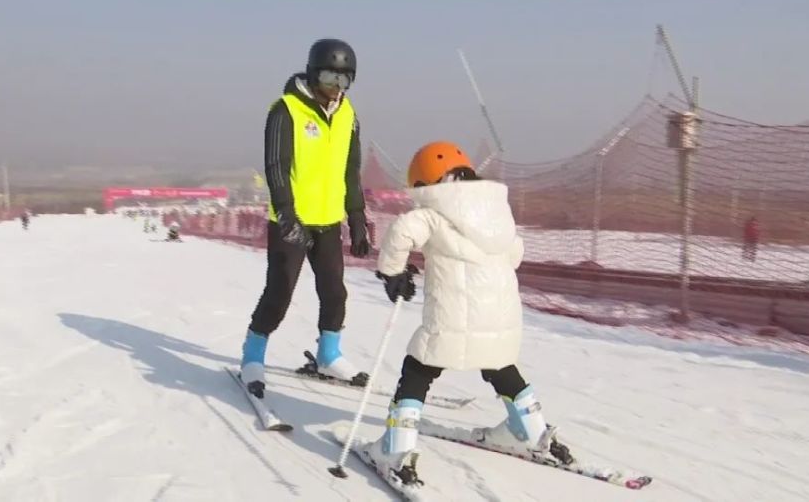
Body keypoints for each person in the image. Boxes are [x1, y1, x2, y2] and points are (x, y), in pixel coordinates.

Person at [366, 141, 567, 486]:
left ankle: (396, 448)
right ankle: (531, 430)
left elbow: (401, 232)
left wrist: (393, 272)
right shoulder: (495, 210)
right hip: (501, 314)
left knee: (418, 367)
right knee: (499, 363)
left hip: (453, 316)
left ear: (423, 183)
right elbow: (515, 253)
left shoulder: (432, 210)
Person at [239, 38, 372, 399]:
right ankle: (253, 355)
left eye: (344, 80)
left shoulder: (348, 115)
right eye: (330, 77)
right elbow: (276, 167)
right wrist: (285, 213)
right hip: (292, 221)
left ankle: (329, 354)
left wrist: (357, 218)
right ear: (313, 73)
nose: (336, 88)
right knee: (280, 292)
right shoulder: (286, 110)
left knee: (334, 292)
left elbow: (350, 170)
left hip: (328, 221)